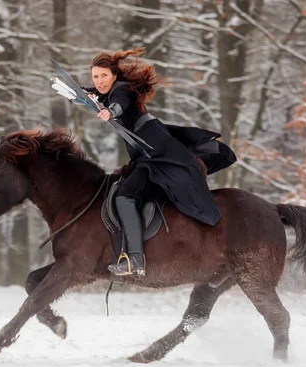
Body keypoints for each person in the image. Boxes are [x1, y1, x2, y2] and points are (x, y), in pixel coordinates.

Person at [86, 47, 236, 278]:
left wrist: (110, 112)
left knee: (125, 196)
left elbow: (119, 103)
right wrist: (84, 95)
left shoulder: (121, 90)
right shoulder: (109, 92)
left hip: (156, 154)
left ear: (114, 76)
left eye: (104, 75)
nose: (99, 81)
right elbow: (102, 97)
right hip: (147, 155)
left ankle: (134, 259)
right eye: (95, 77)